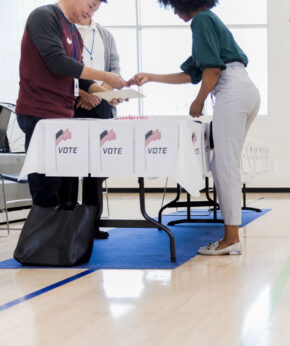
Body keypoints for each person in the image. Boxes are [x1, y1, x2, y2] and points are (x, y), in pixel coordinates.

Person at [130, 0, 260, 256]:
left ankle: (231, 238)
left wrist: (198, 101)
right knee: (223, 165)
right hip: (243, 89)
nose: (174, 11)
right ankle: (230, 235)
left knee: (225, 166)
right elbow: (192, 74)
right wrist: (151, 77)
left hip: (231, 89)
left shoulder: (202, 21)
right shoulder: (209, 22)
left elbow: (212, 71)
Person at [16, 0, 127, 208]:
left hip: (63, 117)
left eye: (96, 9)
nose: (91, 12)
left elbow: (79, 75)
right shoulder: (44, 16)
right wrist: (106, 76)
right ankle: (44, 238)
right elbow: (57, 62)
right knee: (47, 188)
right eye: (91, 5)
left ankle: (63, 238)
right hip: (40, 114)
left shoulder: (74, 33)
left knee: (65, 189)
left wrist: (106, 94)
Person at [75, 14, 123, 239]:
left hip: (101, 106)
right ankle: (69, 223)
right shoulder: (66, 30)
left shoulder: (104, 34)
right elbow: (63, 70)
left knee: (96, 169)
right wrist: (84, 93)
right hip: (74, 104)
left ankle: (92, 224)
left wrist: (101, 94)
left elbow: (114, 71)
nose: (89, 9)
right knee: (69, 167)